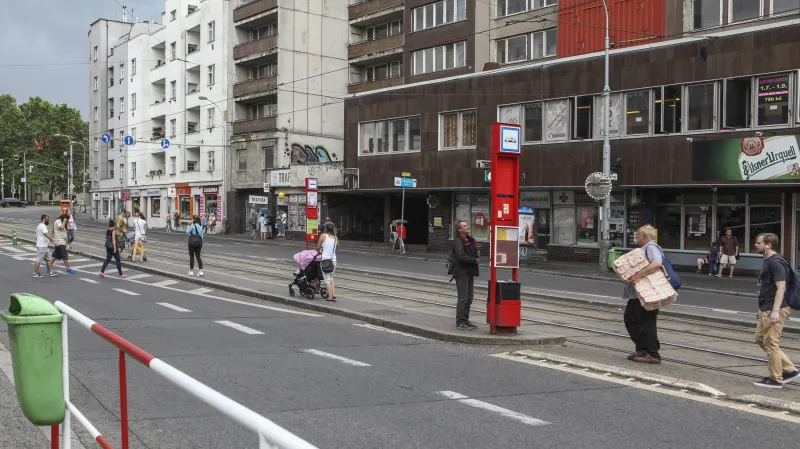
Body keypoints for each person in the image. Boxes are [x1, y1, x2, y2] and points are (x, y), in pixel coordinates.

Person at [752, 233, 799, 388]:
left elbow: (781, 288)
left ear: (768, 245)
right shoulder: (767, 260)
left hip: (775, 308)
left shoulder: (776, 262)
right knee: (760, 339)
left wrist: (775, 311)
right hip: (765, 307)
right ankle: (790, 370)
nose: (755, 245)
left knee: (771, 342)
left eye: (758, 243)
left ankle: (775, 378)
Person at [623, 225, 664, 364]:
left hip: (648, 293)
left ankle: (653, 354)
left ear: (645, 236)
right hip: (638, 294)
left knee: (646, 323)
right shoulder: (643, 249)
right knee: (630, 319)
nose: (636, 238)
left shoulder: (651, 247)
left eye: (638, 236)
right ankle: (642, 348)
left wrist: (638, 275)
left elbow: (657, 263)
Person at [452, 220, 479, 330]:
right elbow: (461, 256)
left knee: (469, 297)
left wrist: (476, 252)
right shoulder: (458, 240)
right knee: (463, 298)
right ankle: (460, 322)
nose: (467, 226)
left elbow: (473, 250)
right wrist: (474, 260)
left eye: (467, 225)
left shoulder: (469, 239)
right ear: (459, 229)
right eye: (464, 226)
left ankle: (466, 320)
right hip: (461, 272)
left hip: (469, 271)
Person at [317, 221, 339, 301]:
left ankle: (330, 297)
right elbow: (337, 248)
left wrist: (320, 250)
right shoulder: (335, 237)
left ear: (325, 228)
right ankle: (333, 295)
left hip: (325, 260)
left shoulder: (323, 236)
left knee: (327, 279)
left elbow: (318, 246)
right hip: (333, 260)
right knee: (331, 278)